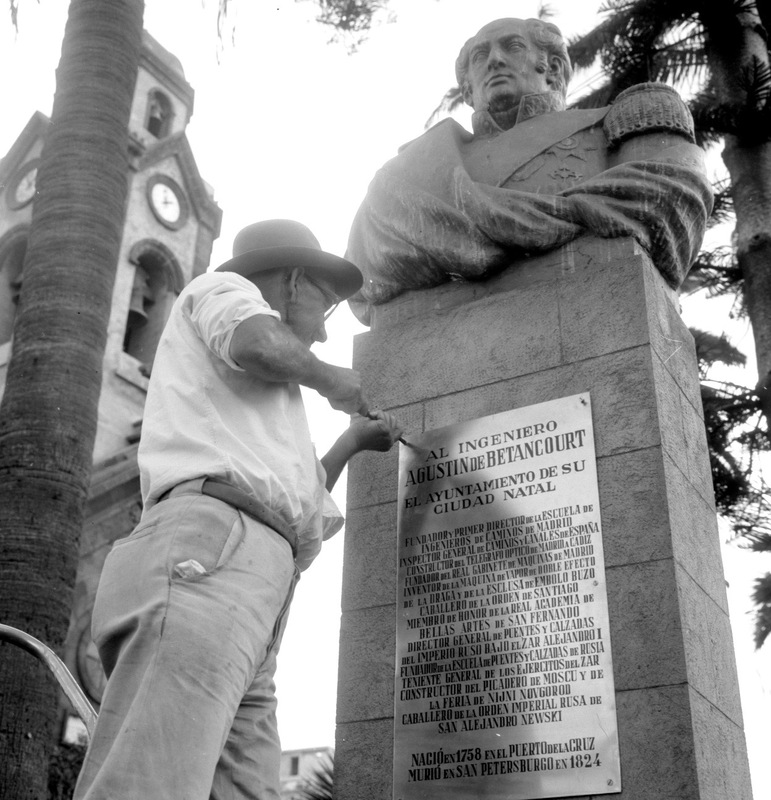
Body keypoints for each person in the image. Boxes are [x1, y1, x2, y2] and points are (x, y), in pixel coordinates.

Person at [73, 219, 403, 799]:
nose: (324, 338)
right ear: (295, 279)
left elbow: (292, 501)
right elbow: (252, 342)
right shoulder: (221, 292)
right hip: (211, 560)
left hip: (254, 586)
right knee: (153, 781)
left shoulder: (268, 400)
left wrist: (350, 443)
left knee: (246, 788)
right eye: (327, 308)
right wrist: (332, 382)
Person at [346, 17, 713, 323]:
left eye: (512, 47)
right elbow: (369, 279)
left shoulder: (619, 121)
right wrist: (582, 216)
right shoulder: (403, 179)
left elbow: (664, 203)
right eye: (480, 55)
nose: (494, 61)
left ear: (552, 69)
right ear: (468, 88)